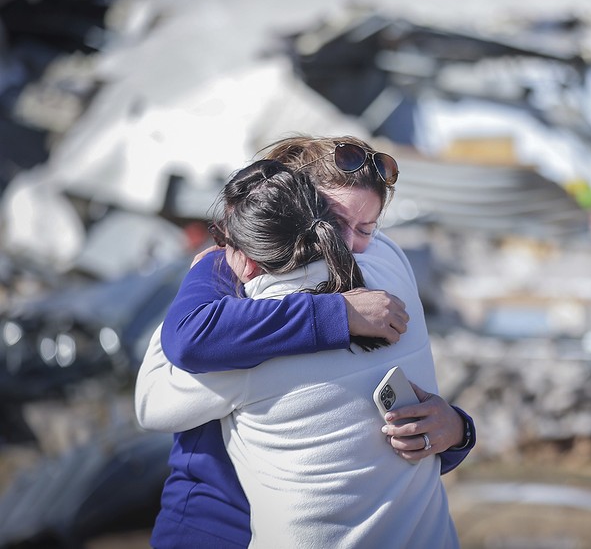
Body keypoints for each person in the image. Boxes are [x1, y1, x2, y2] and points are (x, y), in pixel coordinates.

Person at [135, 136, 475, 547]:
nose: (347, 247)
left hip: (219, 523)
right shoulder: (388, 270)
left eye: (366, 227)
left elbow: (153, 401)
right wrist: (458, 433)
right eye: (332, 222)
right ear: (280, 205)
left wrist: (213, 263)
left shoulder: (255, 310)